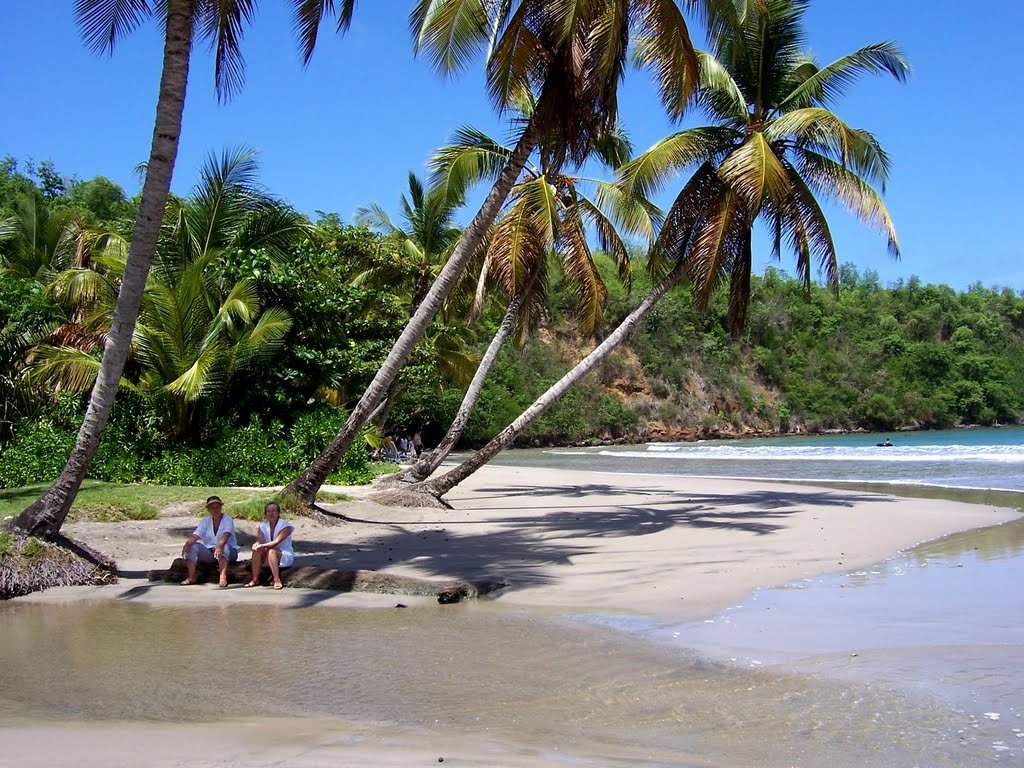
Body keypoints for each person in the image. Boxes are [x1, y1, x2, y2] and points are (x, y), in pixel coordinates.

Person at [180, 495, 239, 587]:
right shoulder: (205, 521)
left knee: (224, 546)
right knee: (193, 546)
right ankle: (191, 577)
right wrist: (187, 545)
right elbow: (196, 535)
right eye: (212, 507)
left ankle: (222, 577)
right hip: (210, 552)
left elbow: (226, 534)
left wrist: (219, 546)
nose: (215, 510)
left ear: (221, 507)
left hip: (229, 552)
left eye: (217, 507)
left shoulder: (227, 519)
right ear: (208, 509)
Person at [245, 501, 295, 590]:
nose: (271, 513)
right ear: (265, 514)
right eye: (268, 511)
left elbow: (276, 542)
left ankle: (276, 580)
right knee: (257, 550)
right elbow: (260, 541)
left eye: (274, 511)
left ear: (278, 513)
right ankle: (255, 578)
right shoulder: (263, 525)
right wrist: (256, 545)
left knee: (271, 551)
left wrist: (262, 545)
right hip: (267, 554)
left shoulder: (285, 525)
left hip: (283, 554)